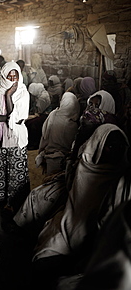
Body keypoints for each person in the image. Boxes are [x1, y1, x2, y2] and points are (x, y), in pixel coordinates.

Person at [31, 124, 129, 290]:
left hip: (98, 241)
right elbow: (75, 205)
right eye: (109, 146)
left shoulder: (122, 181)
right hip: (70, 226)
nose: (115, 151)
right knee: (43, 261)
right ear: (98, 146)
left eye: (120, 146)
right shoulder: (84, 168)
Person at [0, 61, 30, 214]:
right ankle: (0, 197)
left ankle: (14, 201)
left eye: (15, 76)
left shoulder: (23, 93)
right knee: (0, 168)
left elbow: (17, 120)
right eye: (9, 76)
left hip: (16, 139)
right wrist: (6, 118)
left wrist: (8, 96)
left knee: (15, 171)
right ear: (3, 76)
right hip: (0, 137)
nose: (13, 80)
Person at [36, 92, 80, 176]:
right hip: (63, 160)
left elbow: (45, 136)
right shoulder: (72, 124)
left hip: (48, 156)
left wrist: (41, 152)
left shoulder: (53, 115)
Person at [25, 82, 51, 150]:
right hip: (41, 114)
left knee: (32, 123)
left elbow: (39, 111)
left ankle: (33, 144)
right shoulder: (39, 95)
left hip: (45, 115)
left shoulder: (43, 98)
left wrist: (29, 116)